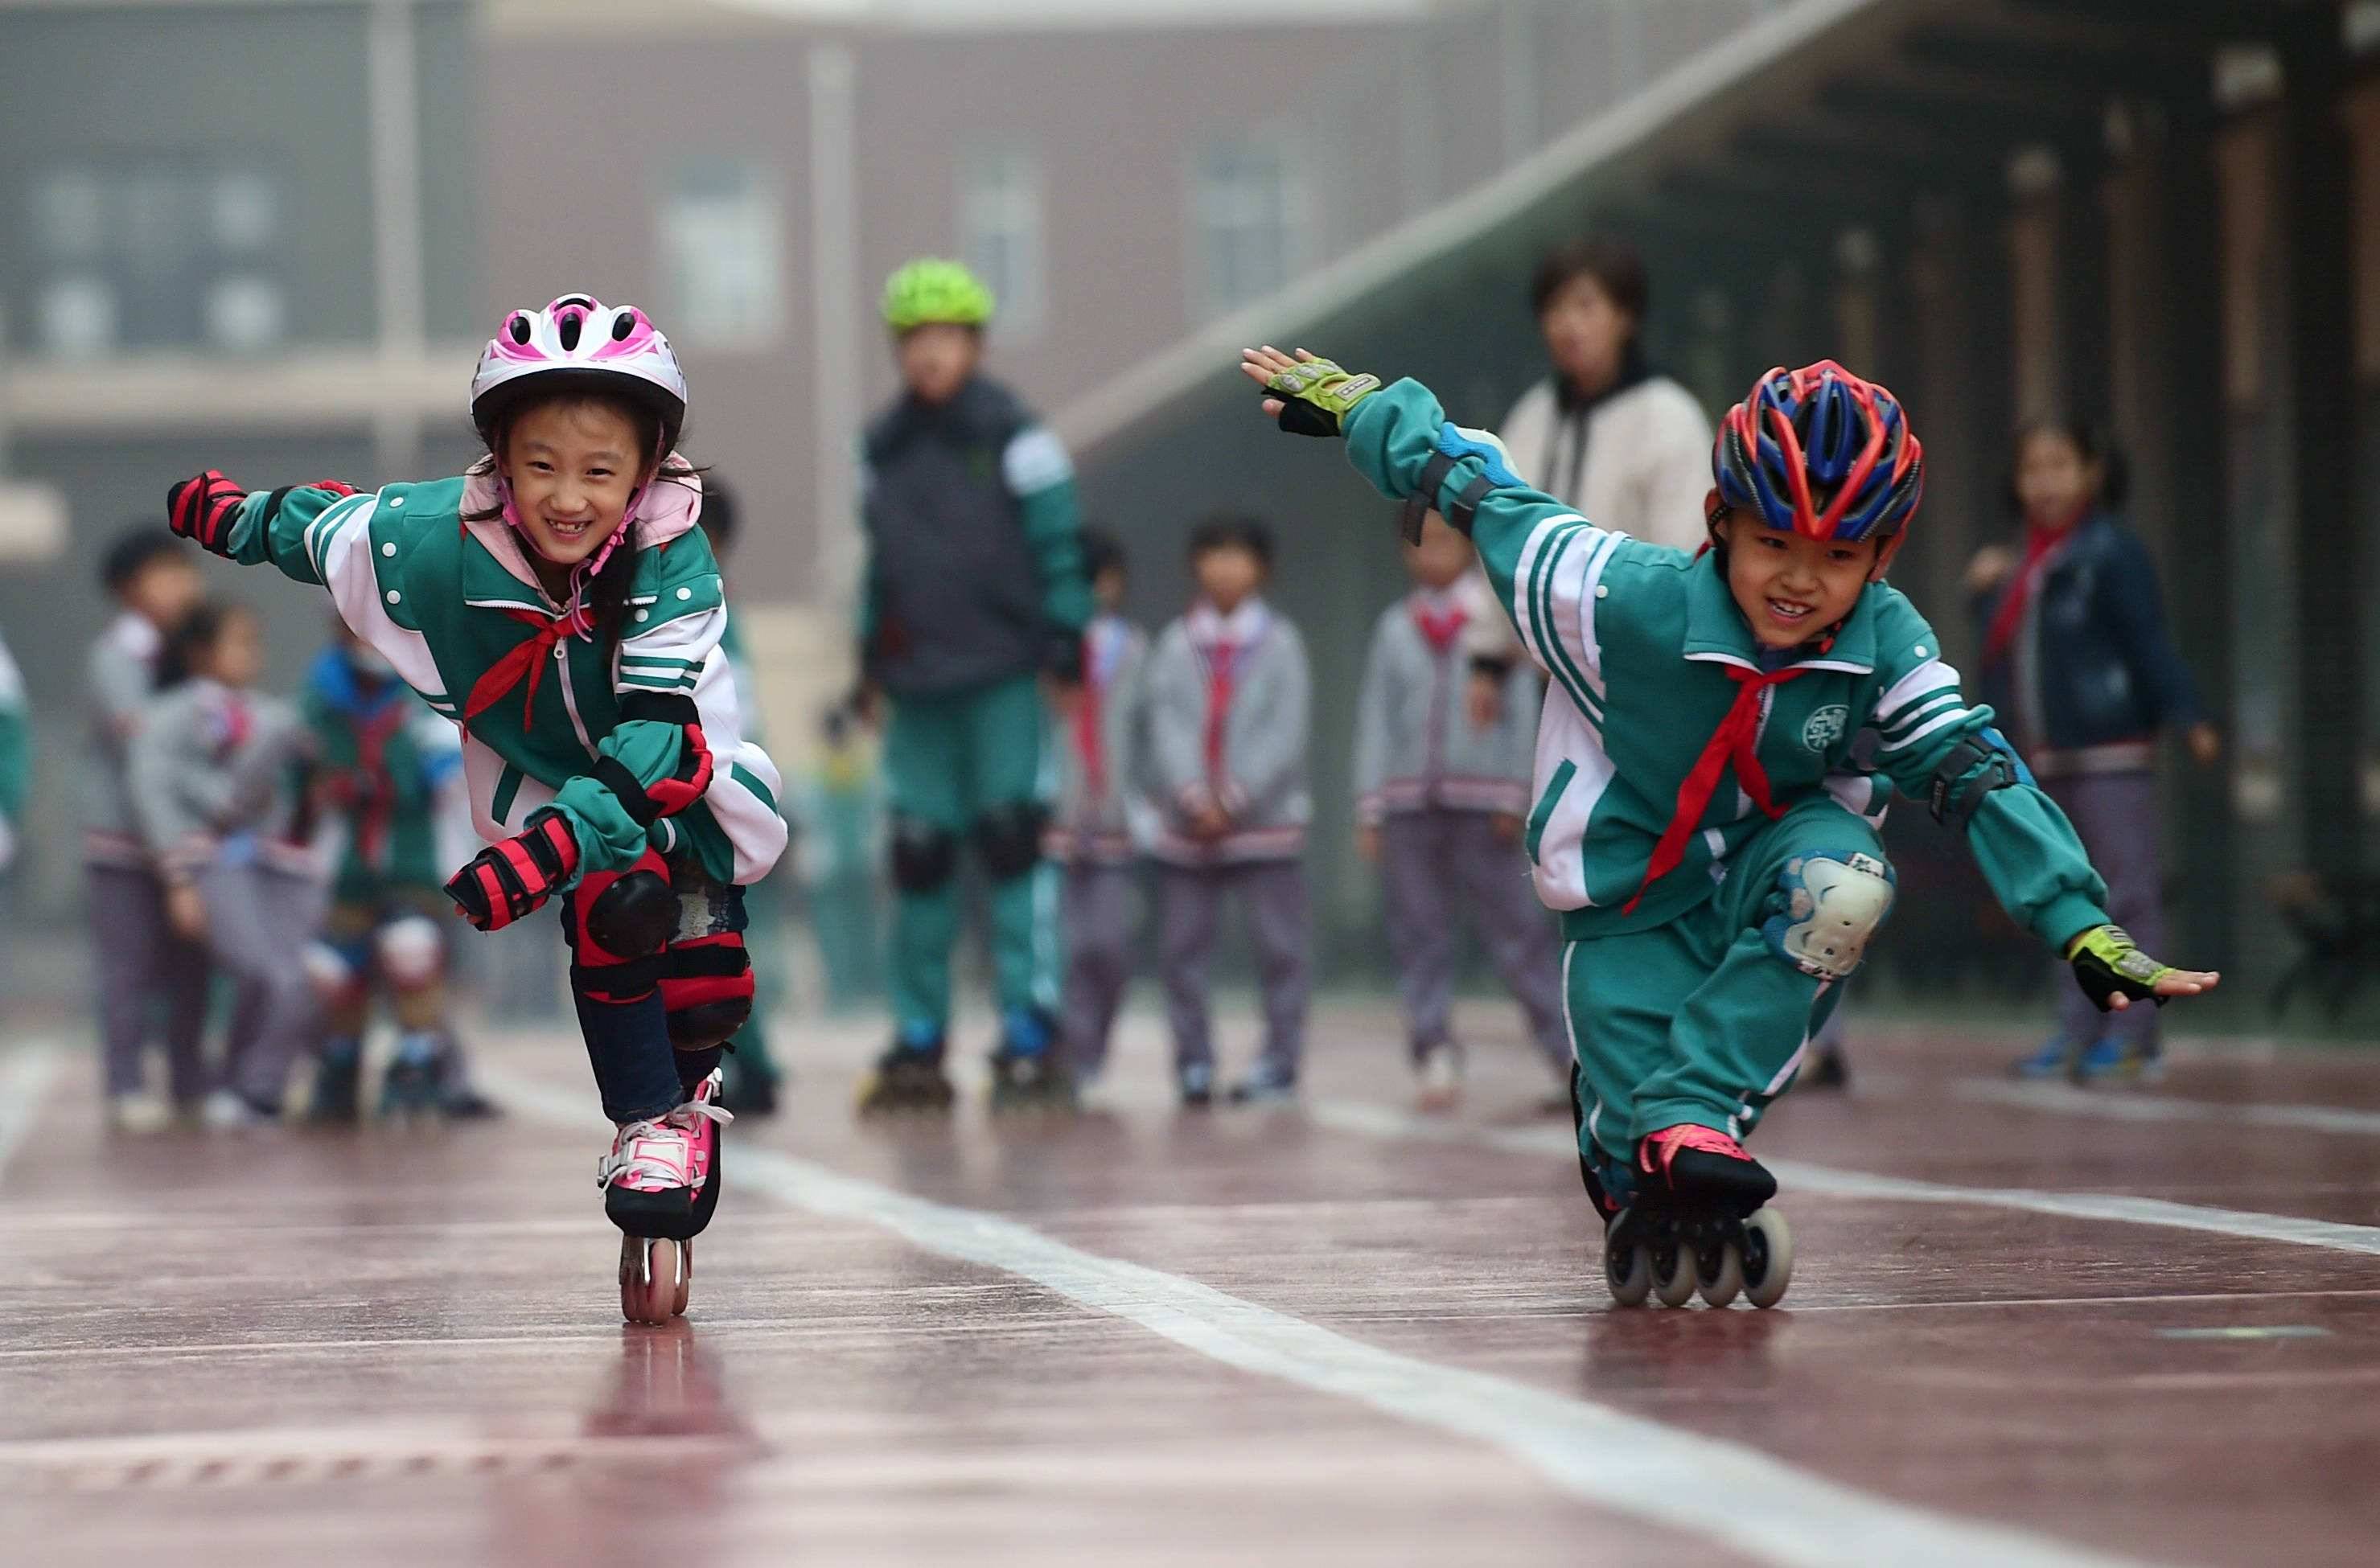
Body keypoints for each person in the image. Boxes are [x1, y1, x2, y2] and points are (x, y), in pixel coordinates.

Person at [1243, 345, 2219, 1309]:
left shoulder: (1887, 641)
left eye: (1840, 557)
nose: (1800, 582)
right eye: (1774, 545)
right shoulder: (1618, 598)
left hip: (1780, 865)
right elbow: (1484, 493)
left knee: (1844, 886)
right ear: (1719, 522)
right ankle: (1633, 1137)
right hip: (1628, 898)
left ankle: (1692, 1109)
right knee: (1635, 1171)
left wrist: (2077, 921)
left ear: (1883, 557)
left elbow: (1968, 764)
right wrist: (1360, 411)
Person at [163, 293, 787, 1324]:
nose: (569, 498)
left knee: (701, 960)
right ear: (499, 458)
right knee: (618, 908)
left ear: (648, 466)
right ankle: (650, 1123)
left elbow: (651, 739)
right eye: (541, 466)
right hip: (539, 765)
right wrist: (228, 518)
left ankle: (693, 1088)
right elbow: (325, 528)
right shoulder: (436, 535)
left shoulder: (671, 551)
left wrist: (544, 855)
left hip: (675, 763)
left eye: (600, 471)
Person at [852, 259, 1090, 1114]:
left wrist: (1067, 646)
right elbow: (879, 570)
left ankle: (1028, 1023)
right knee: (917, 856)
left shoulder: (1018, 435)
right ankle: (920, 1033)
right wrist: (867, 667)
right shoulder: (880, 448)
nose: (929, 354)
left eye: (945, 337)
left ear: (975, 344)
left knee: (1011, 842)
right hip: (917, 681)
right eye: (914, 339)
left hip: (1002, 672)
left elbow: (1061, 545)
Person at [1974, 419, 2218, 1084]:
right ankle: (2076, 1031)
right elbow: (2003, 658)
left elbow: (2147, 639)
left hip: (2110, 749)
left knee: (2127, 895)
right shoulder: (2027, 564)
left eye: (2059, 466)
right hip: (2045, 756)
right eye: (2032, 469)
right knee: (2065, 900)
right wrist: (1984, 594)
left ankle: (2134, 1033)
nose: (2044, 482)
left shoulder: (2109, 552)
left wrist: (2186, 711)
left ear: (2092, 474)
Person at [1354, 508, 1567, 1113]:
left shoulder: (1493, 621)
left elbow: (1525, 712)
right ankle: (1433, 1050)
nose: (1433, 553)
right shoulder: (1395, 627)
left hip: (1484, 804)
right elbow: (1374, 716)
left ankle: (1565, 1053)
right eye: (1421, 543)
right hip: (1408, 804)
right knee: (1418, 932)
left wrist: (1512, 795)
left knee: (1517, 932)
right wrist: (1370, 806)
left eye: (1447, 540)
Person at [128, 600, 320, 1127]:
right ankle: (241, 1084)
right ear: (199, 652)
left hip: (270, 866)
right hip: (208, 864)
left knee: (287, 976)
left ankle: (250, 1083)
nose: (250, 655)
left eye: (253, 643)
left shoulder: (274, 715)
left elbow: (295, 792)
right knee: (262, 972)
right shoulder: (166, 717)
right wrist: (178, 877)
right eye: (238, 643)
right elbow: (152, 795)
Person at [1144, 515, 1313, 1106]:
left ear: (1262, 568)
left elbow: (1285, 731)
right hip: (1187, 830)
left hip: (1265, 826)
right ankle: (1193, 1062)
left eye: (1239, 556)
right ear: (1195, 563)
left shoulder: (1281, 642)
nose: (1225, 568)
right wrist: (1193, 796)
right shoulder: (1173, 644)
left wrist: (1236, 796)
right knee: (1181, 951)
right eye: (1213, 554)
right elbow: (1164, 724)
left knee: (1281, 948)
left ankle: (1279, 1062)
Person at [297, 621, 496, 1122]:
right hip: (344, 868)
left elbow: (449, 773)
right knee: (332, 971)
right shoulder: (320, 699)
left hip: (416, 865)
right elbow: (303, 777)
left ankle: (419, 1065)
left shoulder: (427, 694)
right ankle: (340, 1067)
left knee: (411, 952)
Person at [84, 530, 212, 1132]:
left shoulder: (189, 654)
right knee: (129, 968)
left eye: (185, 573)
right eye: (167, 575)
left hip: (185, 841)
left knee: (191, 966)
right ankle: (127, 1083)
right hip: (123, 844)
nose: (184, 586)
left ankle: (190, 1080)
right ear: (127, 589)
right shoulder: (116, 655)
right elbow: (145, 742)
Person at [694, 477, 791, 1115]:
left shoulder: (717, 613)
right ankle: (742, 1061)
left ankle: (748, 1062)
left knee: (722, 936)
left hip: (714, 798)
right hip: (690, 793)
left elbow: (740, 714)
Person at [1047, 527, 1149, 1086]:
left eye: (1100, 580)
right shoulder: (1042, 655)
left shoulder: (1133, 650)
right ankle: (1069, 1056)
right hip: (1055, 822)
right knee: (1063, 949)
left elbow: (1150, 729)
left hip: (1114, 820)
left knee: (1109, 947)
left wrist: (1151, 798)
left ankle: (1092, 1045)